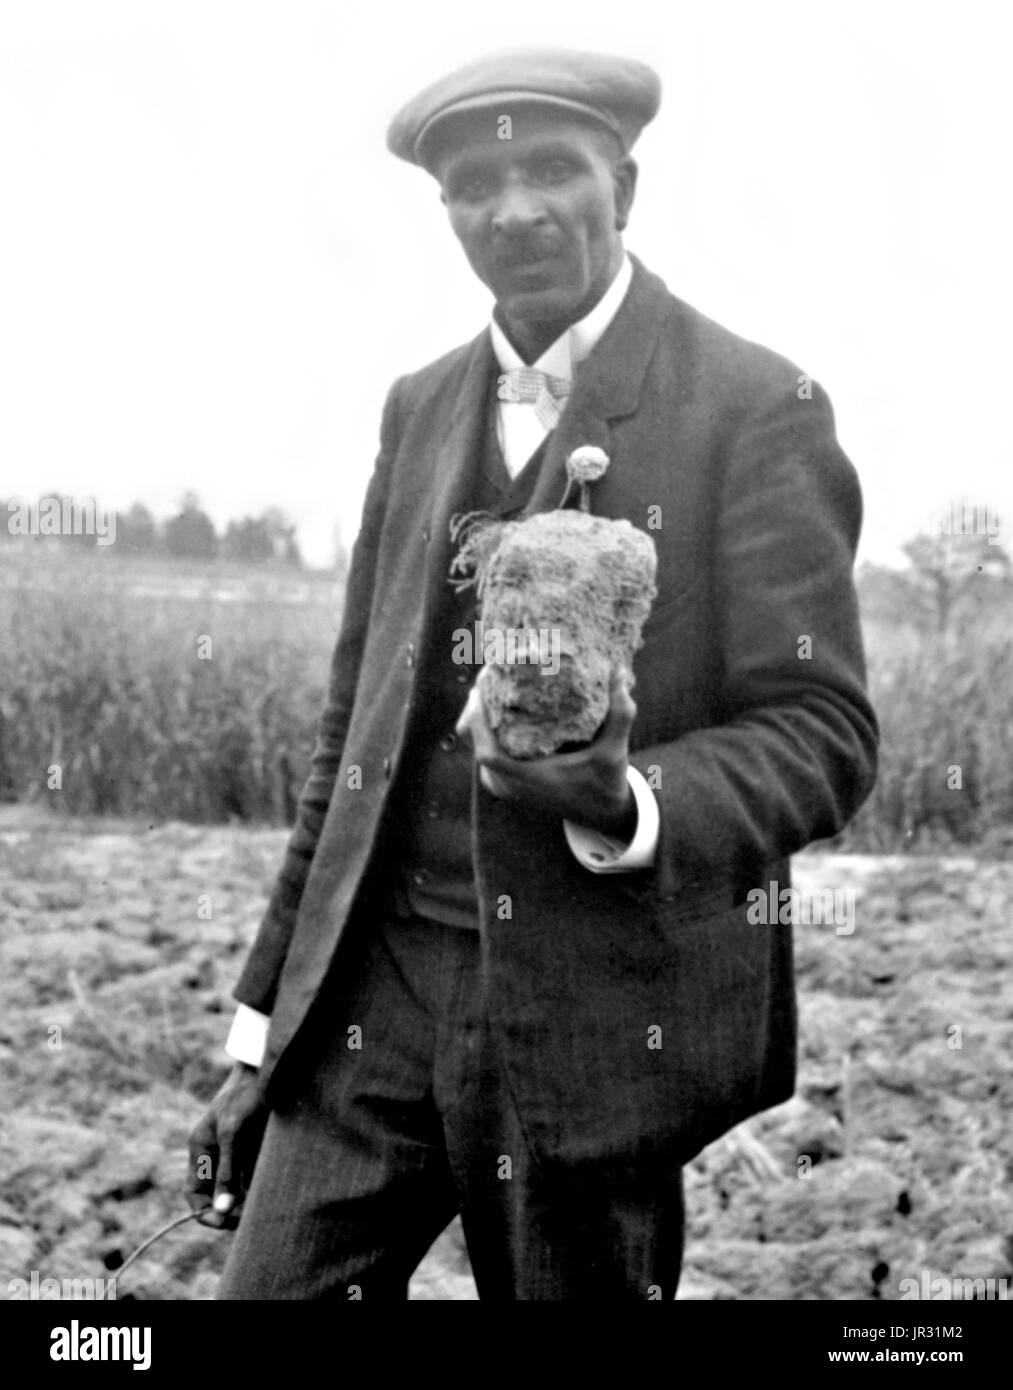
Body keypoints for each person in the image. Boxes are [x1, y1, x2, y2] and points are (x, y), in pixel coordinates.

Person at [186, 46, 878, 1300]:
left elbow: (820, 731)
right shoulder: (417, 407)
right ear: (444, 212)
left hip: (596, 1016)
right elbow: (352, 738)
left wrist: (625, 801)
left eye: (549, 169)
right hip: (373, 1003)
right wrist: (258, 1033)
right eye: (473, 183)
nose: (513, 210)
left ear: (622, 182)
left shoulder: (755, 404)